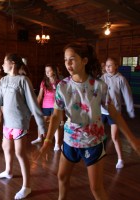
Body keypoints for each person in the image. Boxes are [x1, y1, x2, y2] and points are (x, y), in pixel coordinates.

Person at [39, 42, 140, 200]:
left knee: (96, 188)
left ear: (84, 60)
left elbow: (114, 113)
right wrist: (47, 141)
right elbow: (56, 116)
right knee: (62, 177)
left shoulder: (99, 86)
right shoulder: (62, 86)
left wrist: (132, 139)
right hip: (70, 141)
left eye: (72, 59)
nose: (68, 64)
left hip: (93, 143)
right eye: (65, 60)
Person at [0, 53, 46, 200]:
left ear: (12, 63)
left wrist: (41, 126)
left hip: (19, 123)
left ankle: (26, 186)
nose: (3, 65)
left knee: (20, 153)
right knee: (6, 147)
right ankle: (8, 171)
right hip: (7, 123)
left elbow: (33, 104)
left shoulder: (23, 80)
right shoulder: (3, 80)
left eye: (4, 63)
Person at [101, 57, 135, 168]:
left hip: (114, 112)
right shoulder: (102, 77)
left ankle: (120, 159)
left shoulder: (121, 79)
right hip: (101, 111)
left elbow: (127, 95)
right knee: (99, 135)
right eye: (106, 65)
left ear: (116, 66)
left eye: (110, 65)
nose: (108, 67)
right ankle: (100, 153)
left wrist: (130, 111)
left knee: (114, 136)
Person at [31, 64, 61, 151]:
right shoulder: (44, 82)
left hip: (56, 106)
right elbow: (40, 96)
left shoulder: (59, 82)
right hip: (46, 106)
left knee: (55, 124)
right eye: (46, 71)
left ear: (54, 71)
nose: (47, 72)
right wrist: (35, 107)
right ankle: (39, 137)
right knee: (42, 122)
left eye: (49, 70)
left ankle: (57, 144)